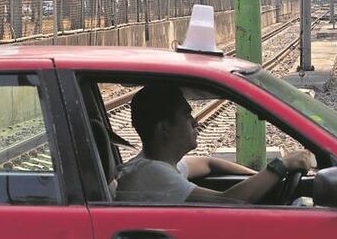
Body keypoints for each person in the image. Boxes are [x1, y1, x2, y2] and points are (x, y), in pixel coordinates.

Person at [115, 84, 315, 204]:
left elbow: (209, 163)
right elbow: (229, 201)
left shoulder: (155, 165)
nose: (195, 122)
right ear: (165, 127)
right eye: (186, 115)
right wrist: (281, 166)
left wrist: (258, 177)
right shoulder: (152, 174)